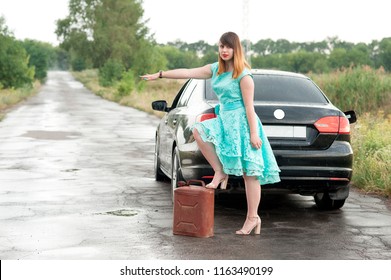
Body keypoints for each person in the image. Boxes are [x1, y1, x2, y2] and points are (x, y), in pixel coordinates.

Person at [141, 31, 280, 235]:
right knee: (199, 131)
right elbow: (188, 72)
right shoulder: (215, 69)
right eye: (221, 46)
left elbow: (250, 108)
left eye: (228, 47)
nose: (224, 50)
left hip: (242, 123)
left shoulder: (244, 75)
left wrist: (253, 134)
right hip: (224, 119)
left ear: (236, 49)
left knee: (250, 173)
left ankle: (253, 218)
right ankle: (220, 170)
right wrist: (161, 74)